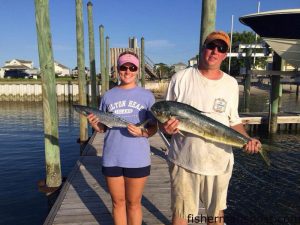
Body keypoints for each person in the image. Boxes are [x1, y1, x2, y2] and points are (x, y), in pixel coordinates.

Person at [160, 31, 261, 225]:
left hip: (219, 163)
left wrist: (248, 140)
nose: (215, 51)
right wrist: (166, 128)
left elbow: (234, 121)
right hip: (184, 160)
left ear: (225, 54)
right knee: (181, 215)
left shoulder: (231, 84)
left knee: (215, 217)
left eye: (221, 48)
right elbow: (163, 117)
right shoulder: (180, 78)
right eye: (211, 46)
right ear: (203, 48)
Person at [87, 51, 157, 225]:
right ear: (117, 70)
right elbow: (103, 127)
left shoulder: (147, 96)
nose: (127, 71)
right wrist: (96, 125)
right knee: (118, 202)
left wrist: (143, 133)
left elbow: (154, 126)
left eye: (132, 67)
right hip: (112, 158)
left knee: (133, 203)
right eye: (123, 67)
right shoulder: (108, 96)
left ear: (137, 70)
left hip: (137, 158)